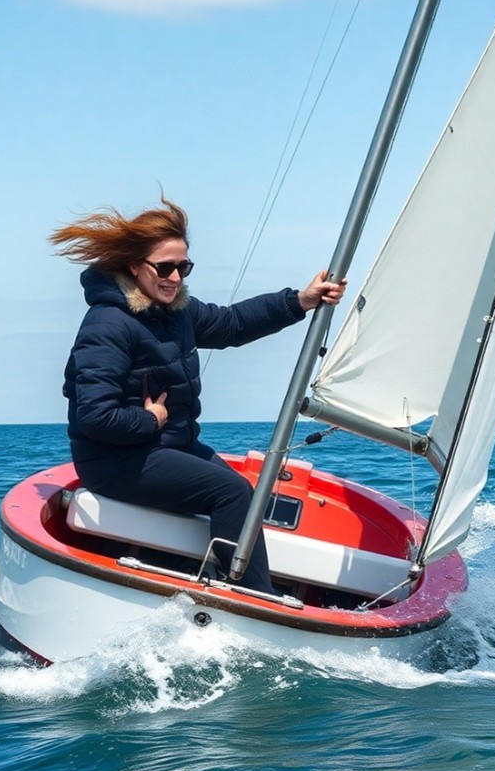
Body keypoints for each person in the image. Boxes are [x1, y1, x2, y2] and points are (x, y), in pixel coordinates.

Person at [51, 196, 346, 594]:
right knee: (231, 493)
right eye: (165, 267)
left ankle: (219, 578)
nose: (175, 277)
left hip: (167, 448)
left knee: (250, 497)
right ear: (134, 266)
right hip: (115, 461)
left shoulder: (176, 313)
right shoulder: (108, 325)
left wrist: (299, 302)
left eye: (183, 267)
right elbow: (94, 417)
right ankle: (253, 597)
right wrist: (150, 419)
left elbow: (232, 324)